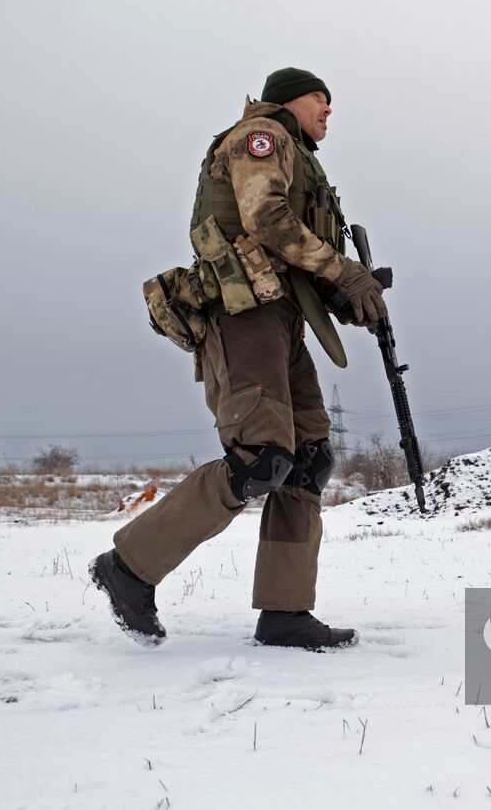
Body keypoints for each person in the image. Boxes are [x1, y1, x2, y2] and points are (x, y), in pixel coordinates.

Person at [90, 68, 386, 649]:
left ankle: (285, 612)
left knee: (308, 459)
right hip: (244, 316)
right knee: (261, 460)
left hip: (282, 321)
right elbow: (265, 219)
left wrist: (349, 293)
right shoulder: (261, 137)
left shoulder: (298, 154)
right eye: (320, 99)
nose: (329, 110)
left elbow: (291, 251)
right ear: (289, 99)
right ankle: (127, 568)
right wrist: (342, 270)